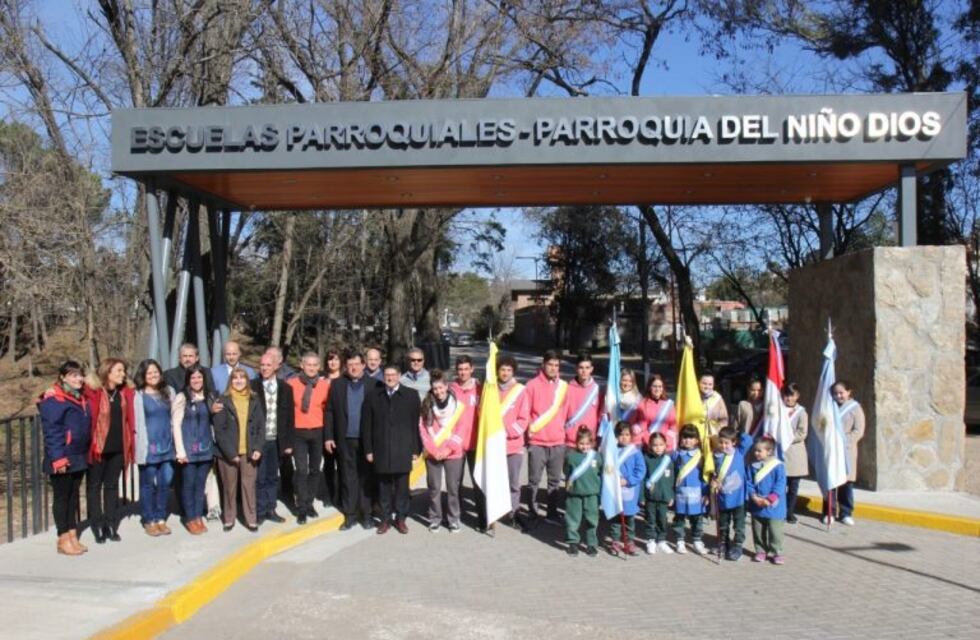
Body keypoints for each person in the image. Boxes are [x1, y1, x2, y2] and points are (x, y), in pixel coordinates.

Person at [361, 365, 422, 535]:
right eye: (387, 375)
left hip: (403, 449)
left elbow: (416, 424)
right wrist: (368, 450)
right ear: (383, 377)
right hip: (381, 450)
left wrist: (416, 448)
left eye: (393, 374)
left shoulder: (411, 395)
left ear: (399, 376)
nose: (390, 378)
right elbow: (366, 425)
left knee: (402, 489)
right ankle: (385, 519)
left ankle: (401, 519)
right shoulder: (373, 396)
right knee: (384, 488)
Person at [39, 361, 92, 556]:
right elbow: (52, 432)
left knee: (73, 497)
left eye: (80, 375)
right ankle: (63, 538)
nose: (78, 379)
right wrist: (58, 458)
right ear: (63, 377)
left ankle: (72, 534)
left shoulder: (80, 397)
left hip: (78, 455)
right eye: (73, 375)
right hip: (63, 457)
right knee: (62, 498)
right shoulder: (54, 400)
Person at [325, 351, 380, 531]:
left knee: (366, 478)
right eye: (350, 365)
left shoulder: (374, 385)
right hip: (345, 439)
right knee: (348, 478)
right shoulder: (337, 385)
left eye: (357, 364)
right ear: (345, 367)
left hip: (368, 440)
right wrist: (329, 436)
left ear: (363, 365)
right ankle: (350, 515)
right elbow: (330, 412)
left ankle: (366, 514)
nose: (354, 368)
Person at [84, 357, 135, 544]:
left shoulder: (125, 393)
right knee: (94, 487)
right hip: (98, 447)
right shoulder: (93, 392)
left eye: (123, 371)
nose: (123, 374)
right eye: (119, 371)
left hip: (119, 447)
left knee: (112, 486)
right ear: (108, 372)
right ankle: (97, 524)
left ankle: (110, 523)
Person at [213, 367, 265, 532]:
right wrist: (231, 453)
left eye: (242, 378)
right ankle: (229, 518)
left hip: (249, 451)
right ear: (230, 381)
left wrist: (257, 447)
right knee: (229, 486)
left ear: (247, 380)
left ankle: (251, 518)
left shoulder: (254, 399)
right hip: (228, 453)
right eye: (235, 378)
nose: (239, 381)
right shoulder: (222, 400)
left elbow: (259, 426)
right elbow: (219, 431)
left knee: (248, 486)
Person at [524, 350, 569, 528]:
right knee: (534, 480)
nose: (553, 368)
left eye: (557, 365)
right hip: (537, 443)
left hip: (558, 442)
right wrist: (531, 434)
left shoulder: (563, 387)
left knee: (554, 482)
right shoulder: (532, 385)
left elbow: (566, 412)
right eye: (550, 364)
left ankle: (552, 513)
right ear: (543, 364)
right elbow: (526, 412)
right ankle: (532, 512)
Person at [419, 370, 466, 532]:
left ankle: (453, 519)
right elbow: (423, 430)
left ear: (446, 386)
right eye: (435, 389)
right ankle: (435, 518)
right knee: (434, 488)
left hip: (453, 453)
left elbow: (461, 430)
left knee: (453, 488)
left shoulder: (458, 406)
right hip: (433, 454)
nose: (438, 392)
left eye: (441, 388)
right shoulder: (426, 405)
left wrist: (447, 450)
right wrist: (433, 451)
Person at [251, 351, 295, 524]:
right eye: (262, 365)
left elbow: (290, 417)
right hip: (260, 441)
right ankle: (260, 511)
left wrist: (289, 443)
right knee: (259, 477)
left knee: (272, 476)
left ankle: (271, 508)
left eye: (268, 365)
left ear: (276, 366)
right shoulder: (252, 386)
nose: (265, 368)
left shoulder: (285, 388)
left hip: (277, 440)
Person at [133, 359, 176, 537]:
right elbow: (137, 422)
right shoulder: (138, 395)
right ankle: (149, 519)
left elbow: (175, 416)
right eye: (149, 373)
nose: (153, 375)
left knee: (165, 483)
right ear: (143, 376)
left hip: (167, 445)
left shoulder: (169, 391)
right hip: (149, 447)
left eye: (156, 372)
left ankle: (160, 518)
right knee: (147, 485)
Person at [287, 352, 330, 524]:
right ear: (302, 365)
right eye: (308, 365)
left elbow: (327, 410)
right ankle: (302, 507)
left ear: (319, 367)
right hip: (298, 432)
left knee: (314, 470)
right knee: (301, 470)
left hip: (317, 431)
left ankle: (310, 502)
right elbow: (287, 411)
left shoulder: (324, 386)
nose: (311, 368)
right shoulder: (291, 384)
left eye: (315, 365)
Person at [171, 364, 215, 535]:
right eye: (193, 377)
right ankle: (190, 518)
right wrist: (180, 451)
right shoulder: (182, 398)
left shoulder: (208, 397)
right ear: (188, 380)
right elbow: (175, 425)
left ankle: (198, 516)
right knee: (188, 485)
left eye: (199, 377)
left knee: (200, 485)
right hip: (188, 450)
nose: (197, 380)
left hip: (205, 448)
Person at [450, 355, 484, 529]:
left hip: (475, 444)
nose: (463, 372)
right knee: (455, 484)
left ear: (472, 369)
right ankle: (457, 516)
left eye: (466, 369)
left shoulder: (481, 389)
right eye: (460, 369)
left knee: (478, 483)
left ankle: (483, 520)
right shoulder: (450, 389)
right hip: (456, 445)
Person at [711, 426, 754, 561]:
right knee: (723, 523)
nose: (724, 446)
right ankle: (723, 543)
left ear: (734, 443)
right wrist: (713, 480)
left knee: (739, 524)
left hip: (739, 498)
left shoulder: (739, 453)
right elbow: (713, 473)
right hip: (723, 497)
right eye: (721, 442)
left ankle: (738, 545)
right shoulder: (716, 456)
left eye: (727, 443)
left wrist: (738, 432)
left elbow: (748, 440)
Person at [498, 356, 529, 527]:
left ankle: (514, 513)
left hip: (513, 445)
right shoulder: (491, 389)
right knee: (496, 482)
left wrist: (507, 432)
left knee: (513, 483)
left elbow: (524, 419)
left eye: (509, 370)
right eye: (502, 369)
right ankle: (495, 513)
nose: (505, 373)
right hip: (495, 445)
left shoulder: (520, 390)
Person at [606, 421, 645, 556]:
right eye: (621, 435)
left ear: (631, 436)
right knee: (616, 519)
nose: (624, 437)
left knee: (629, 519)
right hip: (615, 491)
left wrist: (628, 480)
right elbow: (607, 469)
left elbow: (640, 471)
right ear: (616, 436)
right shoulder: (612, 451)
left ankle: (629, 541)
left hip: (630, 491)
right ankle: (615, 541)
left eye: (627, 435)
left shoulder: (635, 452)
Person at [746, 436, 787, 564]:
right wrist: (753, 496)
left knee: (775, 531)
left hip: (774, 506)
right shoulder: (752, 466)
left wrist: (770, 499)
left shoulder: (778, 466)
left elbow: (780, 483)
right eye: (755, 450)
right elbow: (748, 482)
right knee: (758, 529)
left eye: (759, 451)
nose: (756, 453)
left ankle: (776, 552)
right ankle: (760, 550)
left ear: (769, 451)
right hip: (757, 503)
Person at [830, 380, 865, 526]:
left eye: (841, 393)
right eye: (836, 393)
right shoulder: (830, 407)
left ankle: (845, 512)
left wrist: (843, 441)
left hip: (846, 450)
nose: (838, 396)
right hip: (832, 449)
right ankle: (829, 511)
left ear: (848, 392)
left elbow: (858, 431)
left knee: (846, 483)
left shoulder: (855, 408)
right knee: (831, 482)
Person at [563, 427, 600, 557]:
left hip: (592, 494)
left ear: (592, 443)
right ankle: (573, 542)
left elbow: (600, 472)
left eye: (587, 444)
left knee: (592, 519)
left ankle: (591, 543)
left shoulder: (597, 456)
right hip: (575, 494)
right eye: (581, 443)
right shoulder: (571, 457)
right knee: (573, 519)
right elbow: (566, 471)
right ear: (576, 443)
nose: (584, 447)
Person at [672, 424, 708, 555]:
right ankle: (680, 540)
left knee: (697, 519)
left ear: (697, 440)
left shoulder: (701, 456)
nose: (687, 440)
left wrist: (706, 493)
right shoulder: (676, 455)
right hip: (680, 492)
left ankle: (697, 540)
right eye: (685, 437)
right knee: (679, 518)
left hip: (696, 493)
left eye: (691, 438)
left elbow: (705, 477)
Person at [642, 431, 674, 555]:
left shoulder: (668, 461)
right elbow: (643, 479)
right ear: (650, 446)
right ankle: (651, 540)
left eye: (661, 445)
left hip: (664, 497)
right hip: (650, 497)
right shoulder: (646, 459)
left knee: (662, 519)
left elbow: (671, 479)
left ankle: (661, 540)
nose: (658, 448)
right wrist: (642, 497)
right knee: (650, 519)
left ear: (666, 445)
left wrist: (671, 495)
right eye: (655, 445)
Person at [782, 382, 809, 524]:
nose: (789, 398)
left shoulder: (801, 412)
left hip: (795, 454)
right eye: (786, 395)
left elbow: (802, 432)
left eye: (792, 395)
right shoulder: (778, 410)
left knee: (793, 487)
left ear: (797, 396)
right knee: (780, 485)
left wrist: (787, 438)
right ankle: (780, 510)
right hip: (781, 453)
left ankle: (790, 512)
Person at [563, 353, 602, 448]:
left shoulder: (596, 389)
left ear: (592, 369)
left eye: (587, 368)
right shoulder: (567, 388)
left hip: (589, 442)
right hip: (571, 442)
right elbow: (562, 414)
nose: (584, 371)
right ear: (576, 368)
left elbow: (600, 416)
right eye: (581, 367)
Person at [631, 374, 676, 449]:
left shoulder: (669, 405)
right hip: (646, 444)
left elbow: (673, 426)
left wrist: (665, 442)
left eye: (660, 386)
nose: (657, 389)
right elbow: (638, 425)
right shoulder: (641, 404)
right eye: (654, 386)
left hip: (665, 445)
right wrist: (649, 441)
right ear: (649, 387)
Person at [699, 373, 729, 441]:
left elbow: (724, 420)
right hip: (696, 435)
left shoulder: (718, 398)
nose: (707, 386)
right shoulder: (693, 396)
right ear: (699, 382)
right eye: (704, 383)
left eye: (710, 384)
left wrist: (717, 432)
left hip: (713, 435)